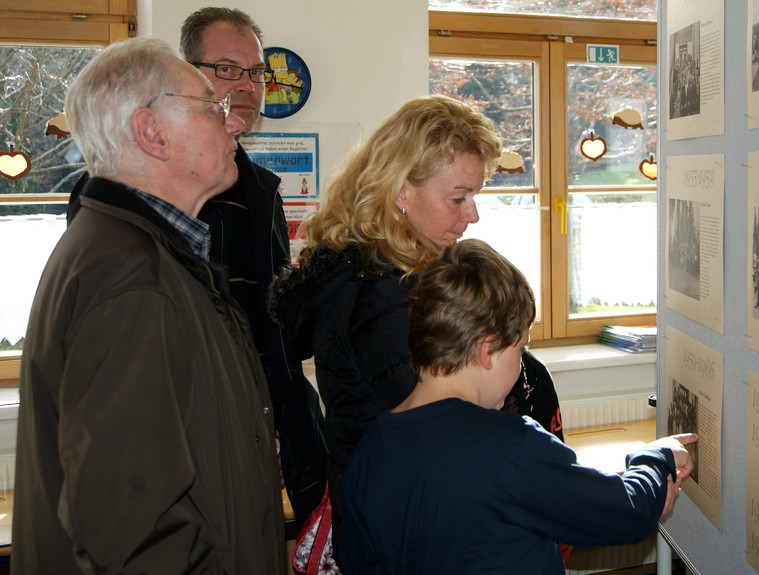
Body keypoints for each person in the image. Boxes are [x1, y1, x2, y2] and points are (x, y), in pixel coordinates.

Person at [13, 37, 286, 573]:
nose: (235, 123)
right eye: (213, 108)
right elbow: (130, 530)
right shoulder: (131, 276)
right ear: (151, 132)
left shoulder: (135, 252)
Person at [67, 7, 330, 523]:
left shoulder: (258, 189)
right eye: (227, 69)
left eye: (256, 72)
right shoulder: (129, 203)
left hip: (253, 434)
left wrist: (278, 426)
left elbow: (270, 332)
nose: (247, 86)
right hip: (192, 458)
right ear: (189, 77)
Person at [338, 239, 697, 574]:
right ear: (487, 349)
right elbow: (628, 512)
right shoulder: (512, 444)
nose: (522, 362)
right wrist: (657, 456)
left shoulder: (369, 452)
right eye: (520, 348)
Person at [268, 94, 503, 560]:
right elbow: (438, 425)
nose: (472, 214)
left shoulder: (370, 274)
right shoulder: (380, 293)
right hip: (401, 525)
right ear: (400, 192)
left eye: (474, 196)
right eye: (458, 198)